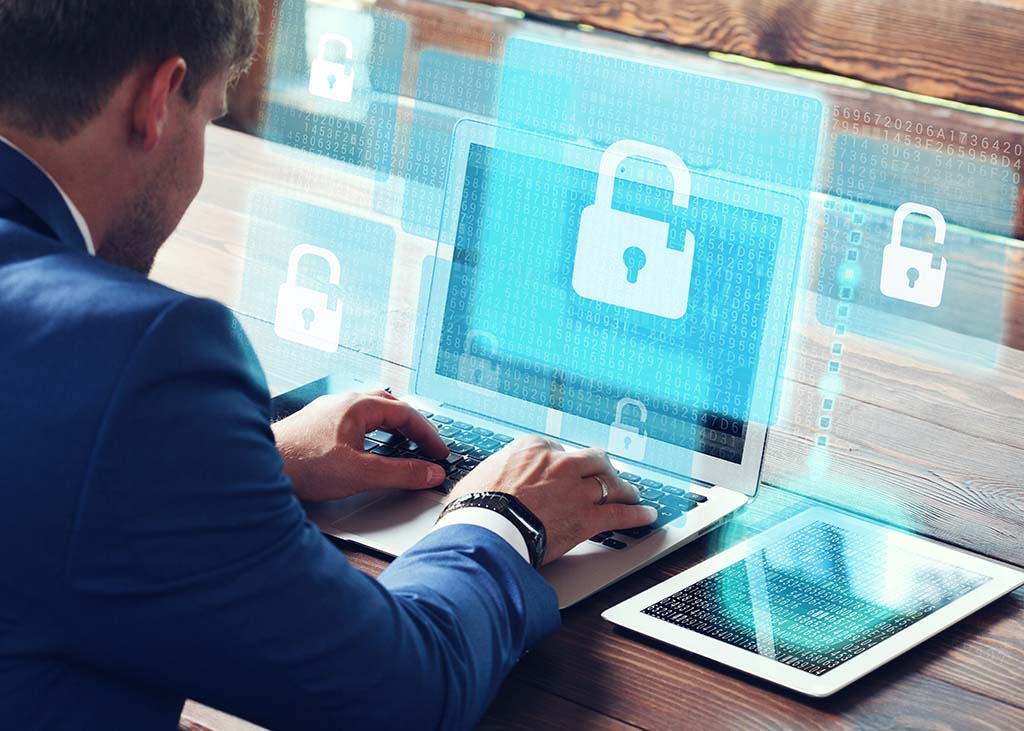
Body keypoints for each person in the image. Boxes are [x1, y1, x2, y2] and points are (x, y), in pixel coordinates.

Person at [0, 2, 657, 729]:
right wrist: (500, 517)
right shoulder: (136, 356)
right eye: (212, 119)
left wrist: (245, 463)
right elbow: (398, 695)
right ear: (158, 102)